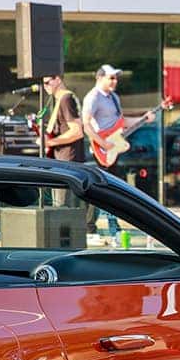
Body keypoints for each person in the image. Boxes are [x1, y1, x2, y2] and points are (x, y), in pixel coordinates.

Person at [82, 65, 153, 238]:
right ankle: (89, 226)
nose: (115, 81)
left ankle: (109, 226)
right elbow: (86, 125)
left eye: (115, 78)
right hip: (102, 149)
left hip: (113, 148)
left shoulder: (113, 97)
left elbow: (121, 122)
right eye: (111, 78)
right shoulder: (93, 97)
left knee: (110, 187)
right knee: (99, 187)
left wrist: (144, 118)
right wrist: (103, 144)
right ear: (100, 78)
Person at [40, 74, 84, 206]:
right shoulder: (60, 99)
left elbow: (77, 132)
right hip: (62, 158)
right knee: (60, 205)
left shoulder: (66, 98)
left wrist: (50, 142)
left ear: (58, 79)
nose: (45, 87)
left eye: (47, 82)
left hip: (68, 160)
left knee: (63, 207)